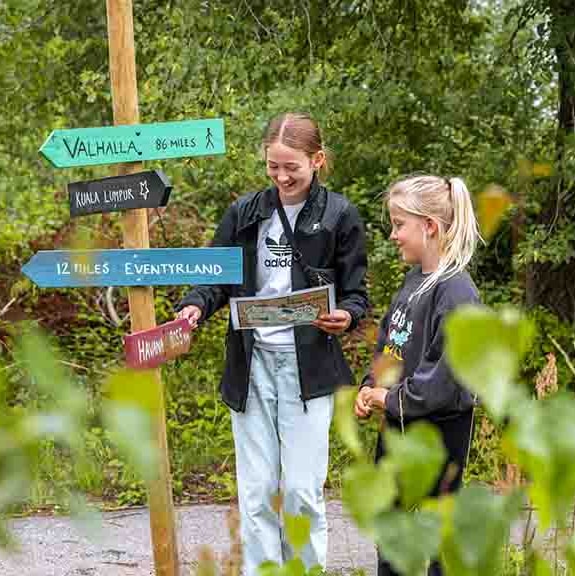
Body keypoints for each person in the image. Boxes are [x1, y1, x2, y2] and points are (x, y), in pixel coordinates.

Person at [176, 113, 369, 575]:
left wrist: (347, 316)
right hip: (252, 364)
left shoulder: (340, 215)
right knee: (257, 490)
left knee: (302, 491)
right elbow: (215, 279)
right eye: (272, 167)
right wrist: (193, 307)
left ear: (317, 161)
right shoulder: (244, 213)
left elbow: (356, 293)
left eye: (293, 168)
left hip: (310, 369)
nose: (282, 177)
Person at [355, 175, 481, 576]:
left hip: (441, 432)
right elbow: (390, 347)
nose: (393, 235)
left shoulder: (458, 292)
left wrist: (389, 400)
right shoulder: (412, 283)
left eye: (399, 225)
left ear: (430, 226)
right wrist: (370, 386)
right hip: (398, 429)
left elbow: (443, 380)